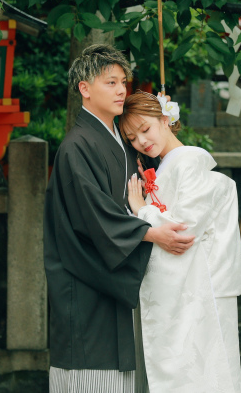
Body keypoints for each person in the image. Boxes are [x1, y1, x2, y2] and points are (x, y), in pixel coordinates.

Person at [44, 44, 195, 393]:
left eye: (122, 82)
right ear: (85, 88)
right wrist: (152, 233)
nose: (121, 90)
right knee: (90, 376)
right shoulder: (76, 146)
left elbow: (150, 184)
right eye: (110, 82)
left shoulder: (120, 140)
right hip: (85, 283)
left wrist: (162, 125)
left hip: (115, 278)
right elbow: (93, 214)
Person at [119, 91, 241, 393]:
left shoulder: (188, 162)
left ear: (165, 119)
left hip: (200, 287)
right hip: (193, 287)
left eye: (145, 129)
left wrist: (142, 209)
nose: (141, 142)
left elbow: (184, 227)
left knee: (201, 372)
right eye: (132, 138)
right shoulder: (168, 166)